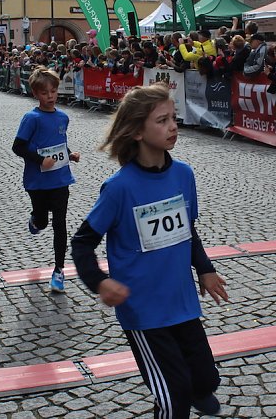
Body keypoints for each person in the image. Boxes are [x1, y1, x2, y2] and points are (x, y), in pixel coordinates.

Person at [72, 83, 228, 419]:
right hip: (144, 311)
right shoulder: (119, 188)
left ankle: (199, 389)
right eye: (162, 120)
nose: (173, 126)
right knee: (174, 397)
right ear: (137, 131)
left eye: (173, 117)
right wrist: (100, 282)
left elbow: (188, 231)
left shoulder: (183, 175)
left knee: (205, 379)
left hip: (182, 302)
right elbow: (82, 242)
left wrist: (205, 268)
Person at [12, 67, 80, 293]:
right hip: (38, 181)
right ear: (35, 94)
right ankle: (36, 220)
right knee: (42, 221)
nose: (50, 96)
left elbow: (58, 143)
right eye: (44, 93)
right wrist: (40, 160)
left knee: (60, 223)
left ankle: (59, 270)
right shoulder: (31, 118)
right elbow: (18, 147)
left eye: (53, 91)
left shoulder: (63, 117)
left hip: (60, 179)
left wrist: (69, 154)